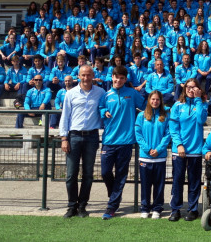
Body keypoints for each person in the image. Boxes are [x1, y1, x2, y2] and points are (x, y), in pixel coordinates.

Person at [99, 65, 147, 220]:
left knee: (121, 174)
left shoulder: (132, 93)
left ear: (125, 79)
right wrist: (103, 112)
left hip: (126, 141)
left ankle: (111, 206)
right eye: (116, 77)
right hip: (108, 140)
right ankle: (114, 195)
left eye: (121, 78)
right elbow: (100, 107)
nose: (118, 80)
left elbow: (145, 106)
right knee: (105, 172)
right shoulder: (106, 95)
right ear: (111, 77)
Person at [60, 66, 105, 218]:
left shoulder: (100, 92)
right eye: (83, 75)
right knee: (71, 174)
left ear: (93, 76)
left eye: (88, 75)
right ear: (78, 76)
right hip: (74, 137)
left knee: (88, 174)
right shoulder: (71, 93)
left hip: (91, 136)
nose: (86, 78)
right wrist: (64, 138)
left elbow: (104, 110)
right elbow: (65, 116)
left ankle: (82, 206)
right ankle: (72, 205)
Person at [168, 79, 208, 222]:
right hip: (179, 151)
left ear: (199, 89)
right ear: (184, 89)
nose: (190, 90)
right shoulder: (177, 106)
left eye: (194, 87)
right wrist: (179, 145)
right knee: (177, 180)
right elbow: (173, 128)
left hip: (195, 150)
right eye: (188, 87)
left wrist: (198, 100)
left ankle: (193, 209)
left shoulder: (202, 105)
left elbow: (201, 120)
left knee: (194, 181)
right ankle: (175, 209)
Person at [135, 91, 171, 219]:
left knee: (159, 185)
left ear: (161, 101)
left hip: (159, 157)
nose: (155, 102)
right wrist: (148, 149)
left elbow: (167, 135)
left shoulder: (165, 116)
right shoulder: (141, 116)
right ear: (149, 100)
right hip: (145, 156)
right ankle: (145, 208)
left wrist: (159, 149)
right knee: (145, 185)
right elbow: (138, 135)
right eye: (153, 99)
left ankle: (157, 208)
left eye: (157, 100)